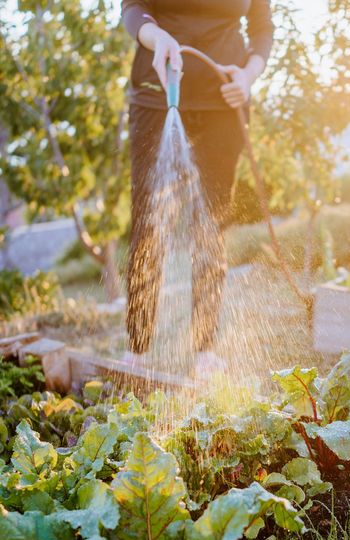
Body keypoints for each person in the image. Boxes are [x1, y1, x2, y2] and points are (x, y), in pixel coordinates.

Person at [121, 0, 274, 376]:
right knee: (148, 224)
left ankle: (204, 349)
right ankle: (138, 350)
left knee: (210, 224)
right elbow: (132, 8)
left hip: (223, 100)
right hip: (157, 93)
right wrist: (157, 39)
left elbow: (262, 28)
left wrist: (248, 77)